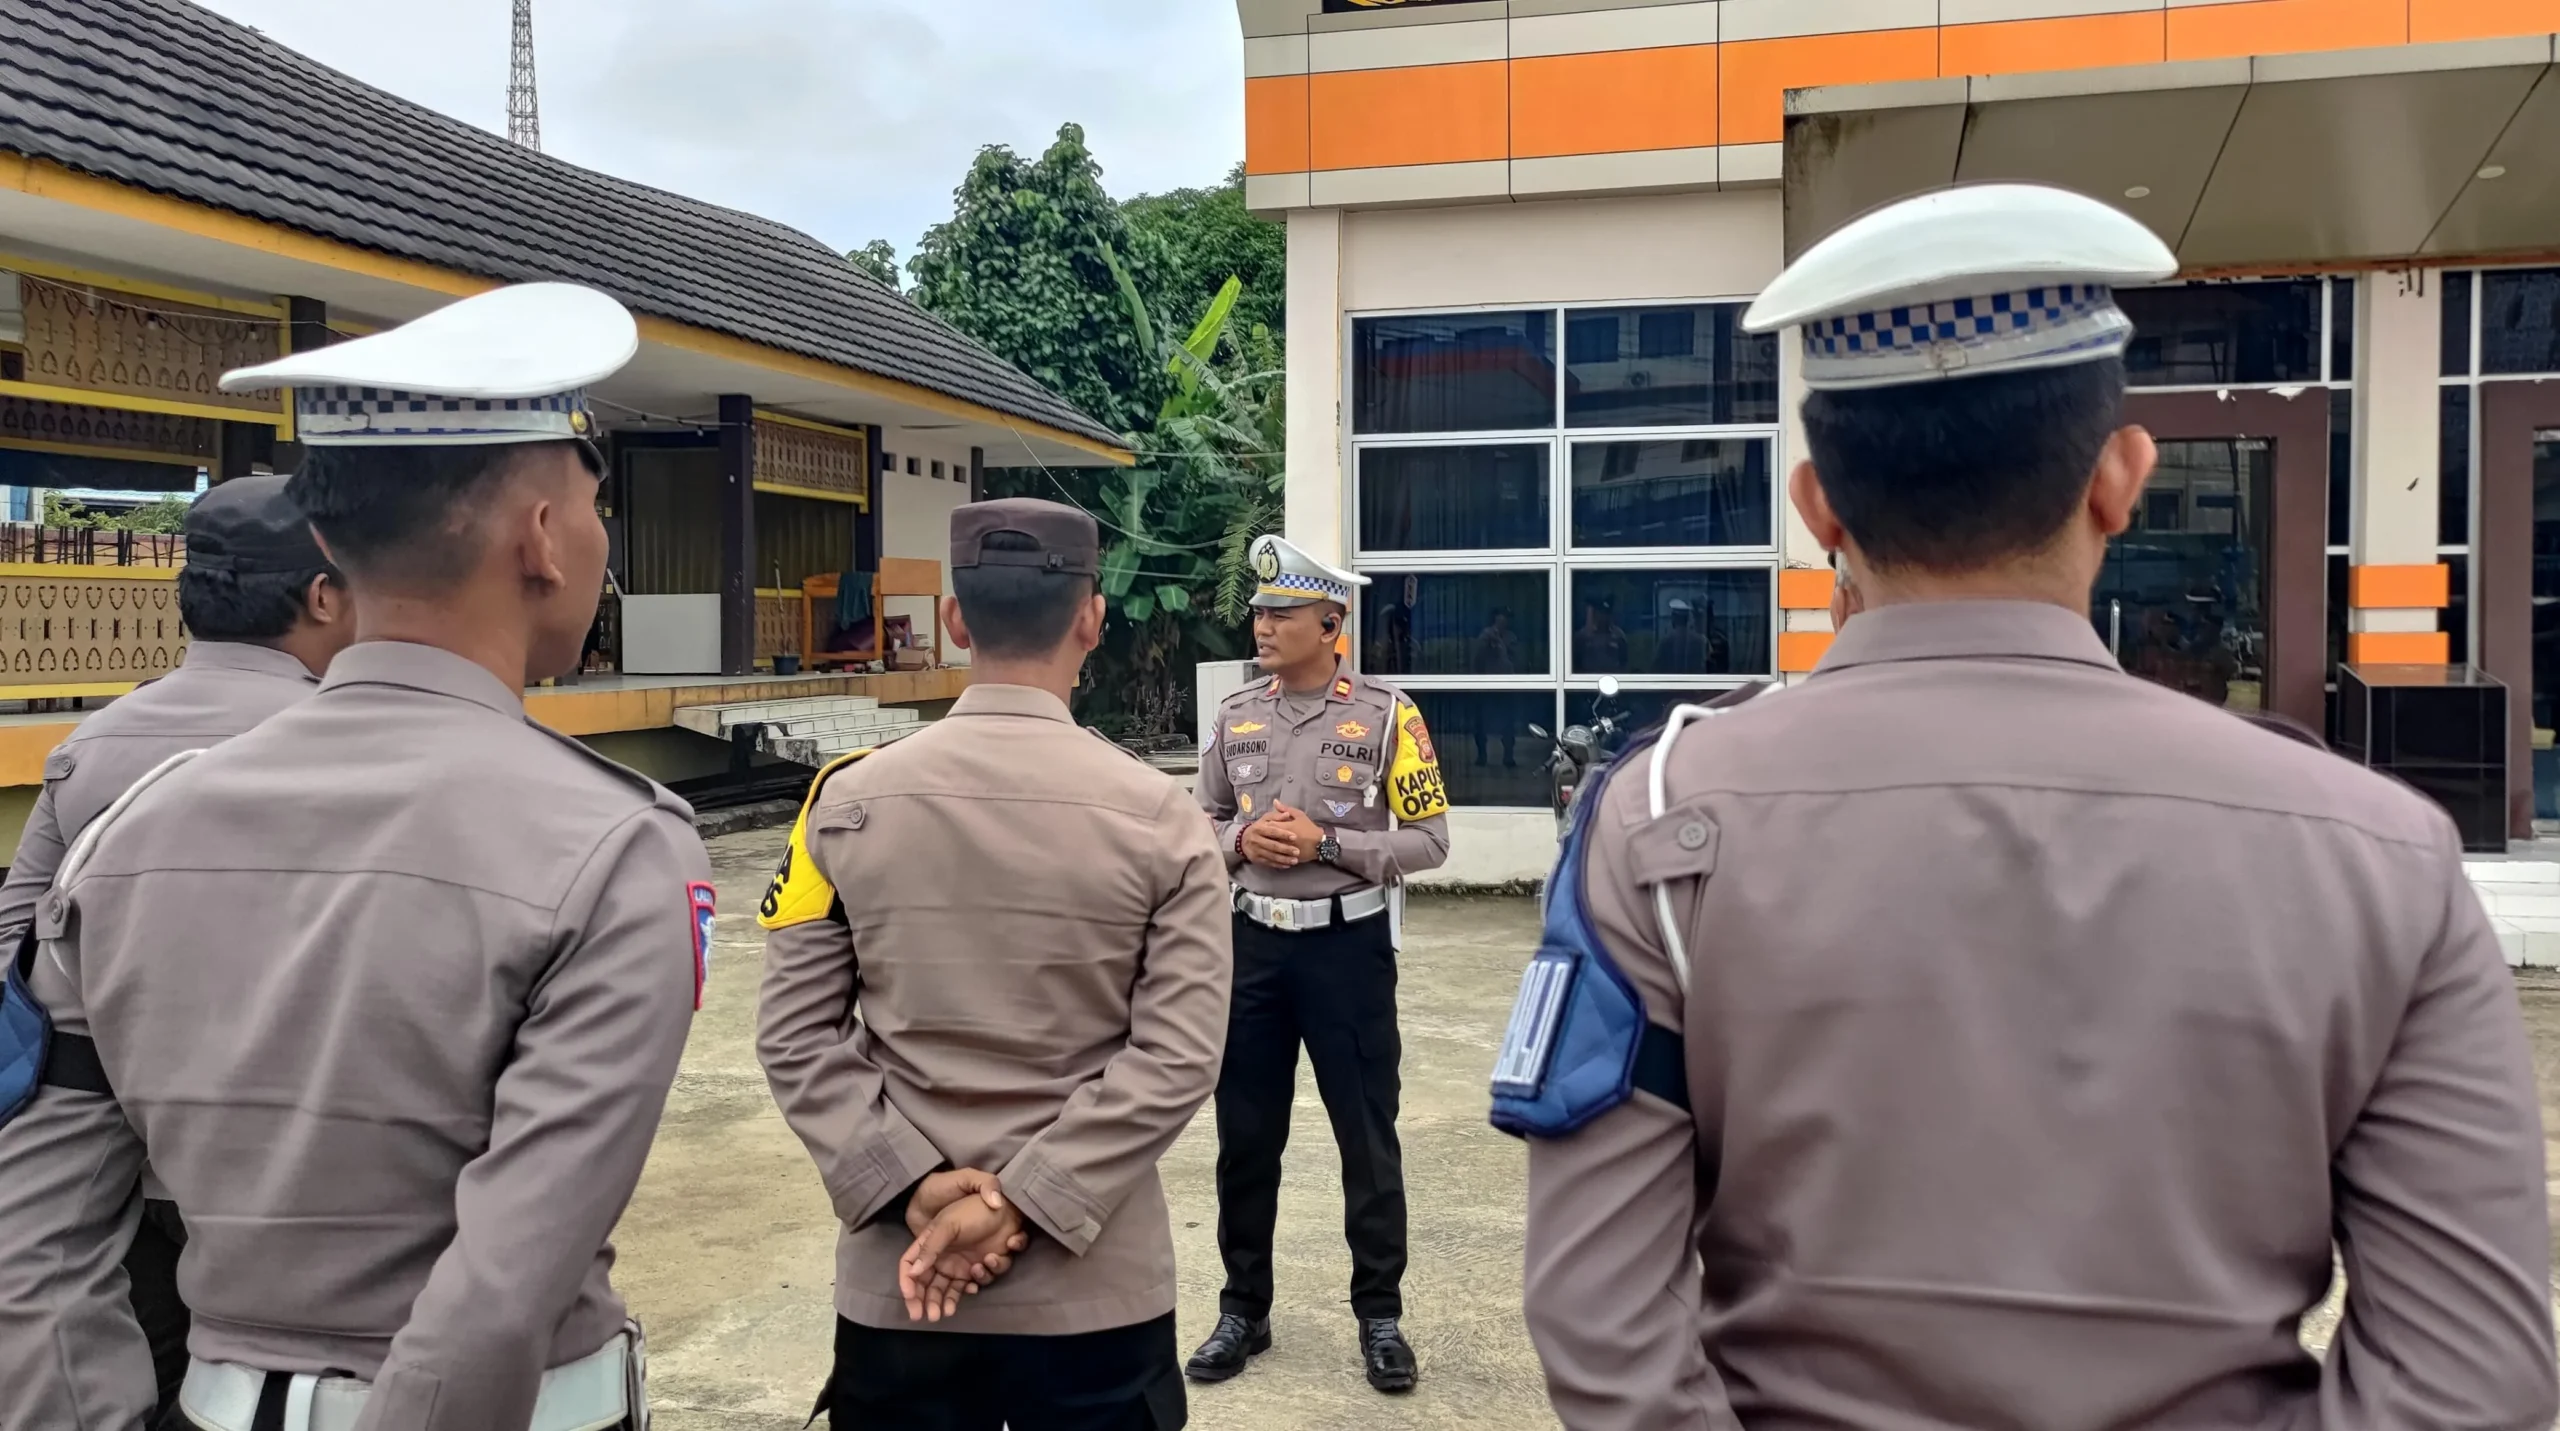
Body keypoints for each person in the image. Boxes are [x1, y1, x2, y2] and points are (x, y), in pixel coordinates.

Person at [1510, 183, 2558, 1430]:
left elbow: (1604, 1328)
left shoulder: (1662, 822)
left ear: (1817, 507)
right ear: (2120, 477)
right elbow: (2471, 1378)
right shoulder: (2376, 850)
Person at [1, 282, 709, 1431]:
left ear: (329, 539)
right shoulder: (617, 845)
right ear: (542, 537)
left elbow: (34, 1222)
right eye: (594, 505)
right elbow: (500, 1287)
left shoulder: (132, 827)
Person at [758, 497, 1231, 1431]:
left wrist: (911, 1186)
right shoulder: (1163, 819)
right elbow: (1178, 1055)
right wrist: (1025, 1201)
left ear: (955, 619)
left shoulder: (844, 803)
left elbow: (794, 1035)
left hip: (905, 1279)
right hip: (1092, 1290)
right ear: (1092, 617)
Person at [0, 475, 355, 1429]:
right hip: (299, 1164)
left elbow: (15, 948)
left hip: (98, 1133)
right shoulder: (353, 746)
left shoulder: (91, 745)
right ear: (326, 596)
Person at [1188, 534, 1451, 1393]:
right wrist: (1240, 840)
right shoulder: (1236, 714)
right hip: (1253, 951)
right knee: (1245, 1137)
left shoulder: (1387, 715)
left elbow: (1430, 840)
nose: (1262, 625)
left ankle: (1381, 1316)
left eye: (1281, 613)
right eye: (1259, 612)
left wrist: (1328, 843)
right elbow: (1198, 823)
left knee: (1367, 1139)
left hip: (1347, 952)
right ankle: (1243, 1309)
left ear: (1331, 624)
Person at [1571, 595, 1627, 674]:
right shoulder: (1582, 636)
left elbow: (1623, 663)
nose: (1603, 616)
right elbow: (1576, 664)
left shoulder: (1619, 636)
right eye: (1600, 612)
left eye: (1606, 613)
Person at [1656, 600, 1708, 673]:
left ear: (1673, 618)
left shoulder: (1665, 641)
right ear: (1687, 619)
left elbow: (1656, 667)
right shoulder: (1701, 641)